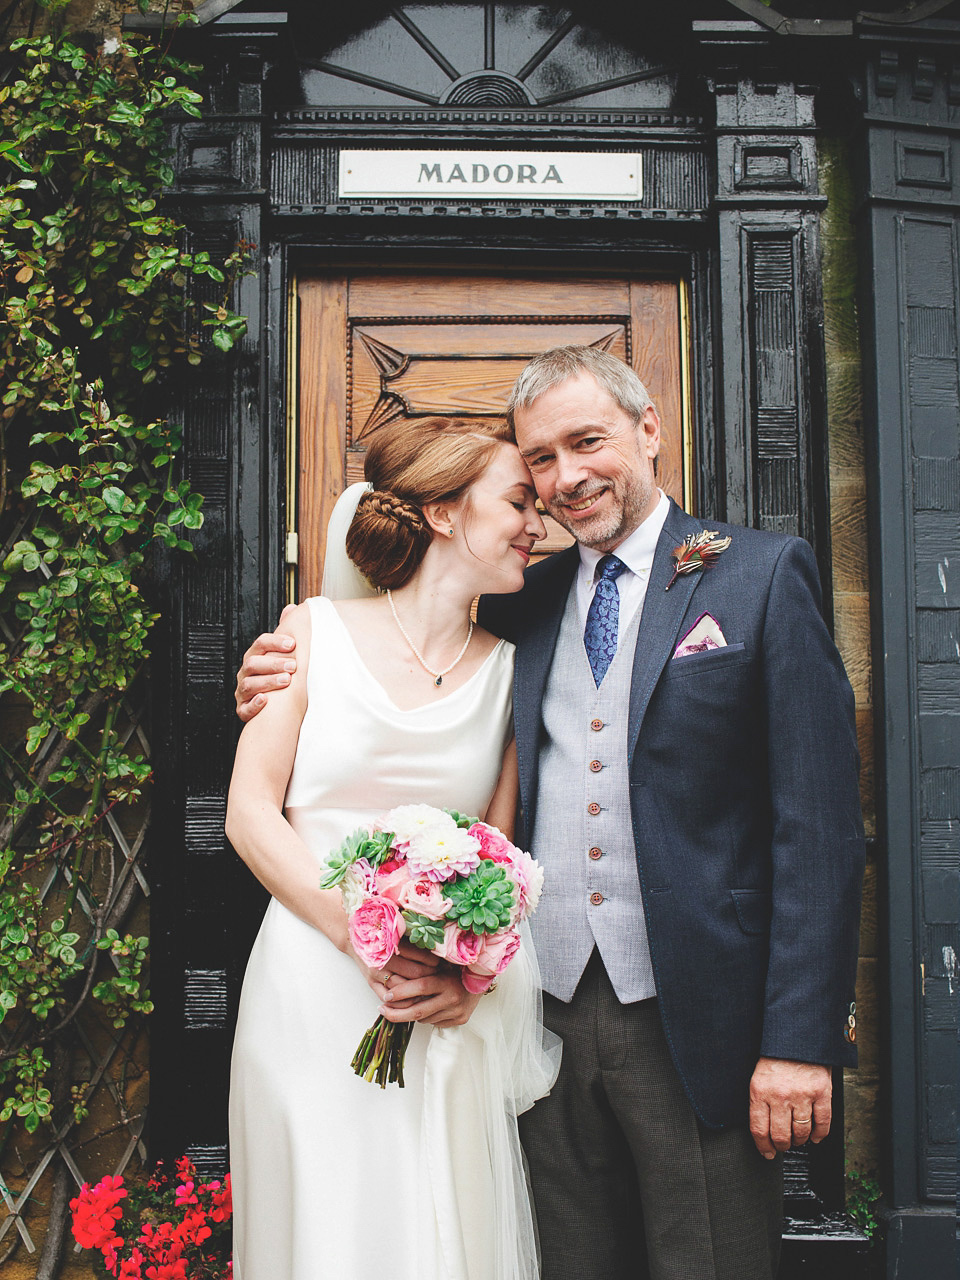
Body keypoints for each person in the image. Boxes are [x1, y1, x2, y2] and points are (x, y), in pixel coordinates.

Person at [235, 347, 864, 1280]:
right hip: (538, 1023)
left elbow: (817, 825)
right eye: (539, 460)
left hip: (697, 1019)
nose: (564, 479)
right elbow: (401, 666)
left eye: (588, 442)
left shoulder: (760, 578)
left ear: (650, 432)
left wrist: (798, 1043)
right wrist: (270, 671)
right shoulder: (522, 602)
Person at [226, 414, 559, 1280]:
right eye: (519, 501)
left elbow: (502, 857)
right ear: (445, 513)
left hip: (424, 1000)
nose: (538, 525)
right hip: (307, 985)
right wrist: (355, 931)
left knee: (426, 1235)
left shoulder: (511, 676)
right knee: (325, 1224)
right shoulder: (308, 636)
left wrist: (458, 976)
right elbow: (249, 814)